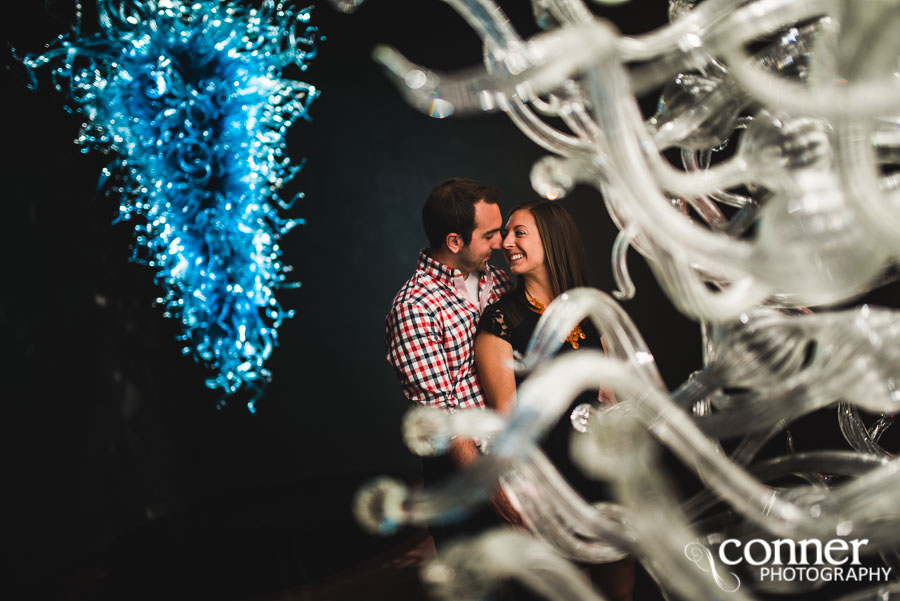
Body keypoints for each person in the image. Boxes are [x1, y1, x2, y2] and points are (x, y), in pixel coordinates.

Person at [474, 200, 635, 601]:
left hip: (605, 480)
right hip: (549, 488)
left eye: (519, 233)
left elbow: (620, 397)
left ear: (552, 239)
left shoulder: (590, 309)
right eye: (505, 233)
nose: (506, 242)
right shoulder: (501, 320)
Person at [384, 177, 515, 548]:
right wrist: (495, 495)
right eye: (490, 235)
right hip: (462, 478)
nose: (501, 243)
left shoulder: (501, 282)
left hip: (514, 460)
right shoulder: (415, 307)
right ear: (454, 242)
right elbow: (445, 418)